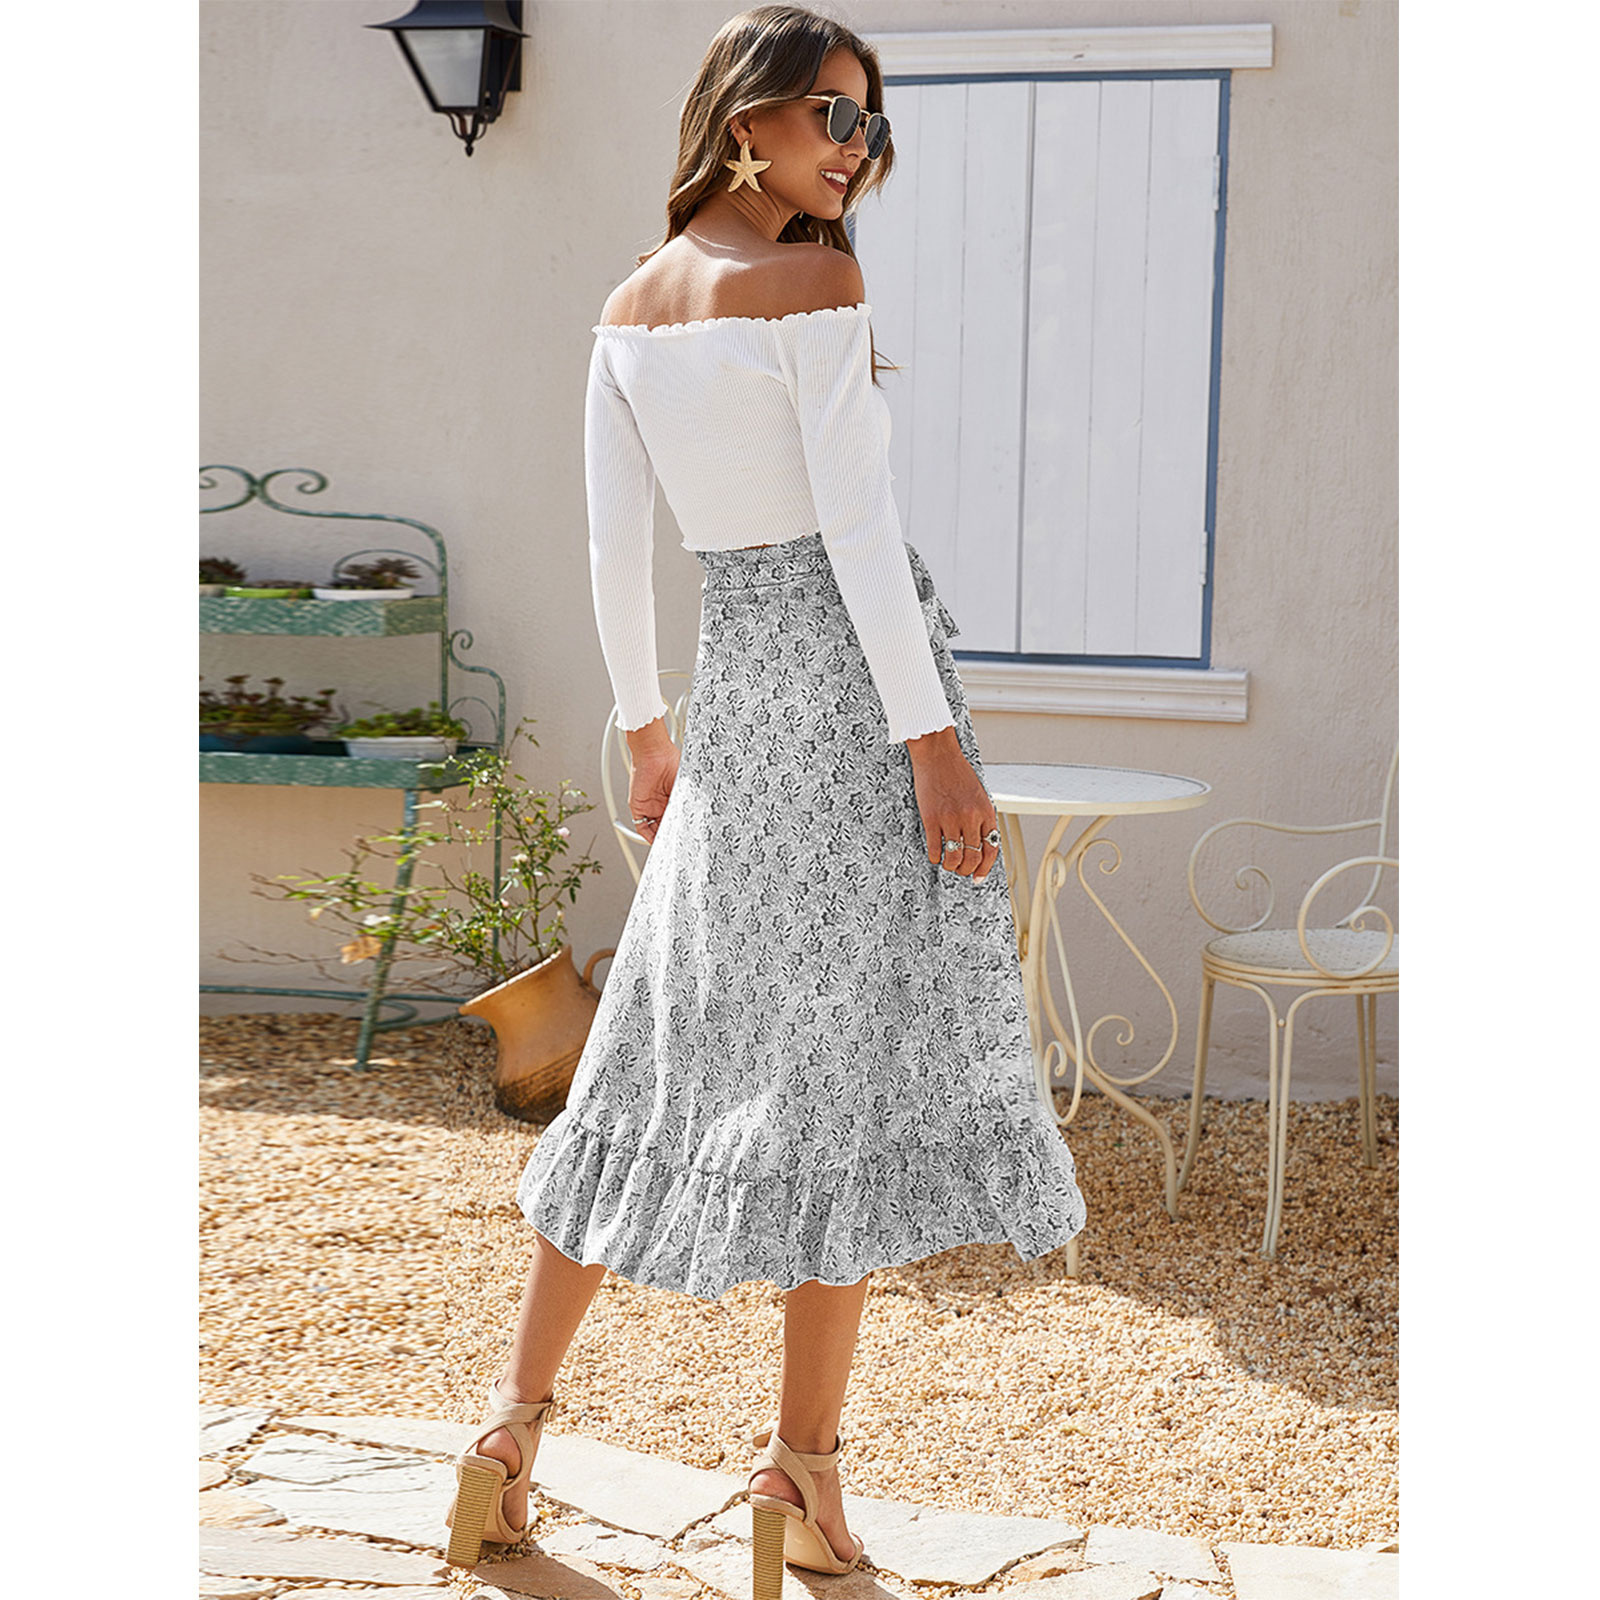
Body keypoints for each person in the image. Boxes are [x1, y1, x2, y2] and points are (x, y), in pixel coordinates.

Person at [444, 7, 1086, 1591]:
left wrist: (647, 730)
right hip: (856, 705)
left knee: (654, 1050)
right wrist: (933, 744)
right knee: (836, 1077)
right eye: (830, 116)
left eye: (871, 124)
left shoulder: (628, 307)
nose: (855, 149)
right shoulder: (815, 282)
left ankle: (508, 1434)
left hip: (733, 698)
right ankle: (802, 1474)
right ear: (747, 120)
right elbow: (857, 533)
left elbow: (615, 547)